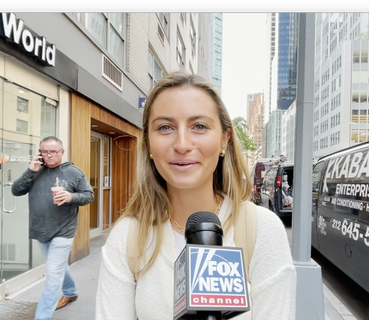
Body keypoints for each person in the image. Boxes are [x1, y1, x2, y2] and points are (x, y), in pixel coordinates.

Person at [95, 72, 297, 319]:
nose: (182, 144)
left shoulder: (262, 230)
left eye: (199, 126)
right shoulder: (127, 237)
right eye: (165, 127)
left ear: (224, 139)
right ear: (148, 143)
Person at [11, 136, 94, 320]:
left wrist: (70, 197)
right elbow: (16, 190)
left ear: (61, 152)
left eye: (52, 152)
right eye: (44, 152)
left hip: (63, 231)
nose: (48, 155)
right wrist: (30, 171)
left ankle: (42, 317)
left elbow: (89, 195)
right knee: (57, 265)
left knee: (53, 275)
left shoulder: (74, 173)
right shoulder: (35, 171)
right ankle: (70, 291)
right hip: (41, 230)